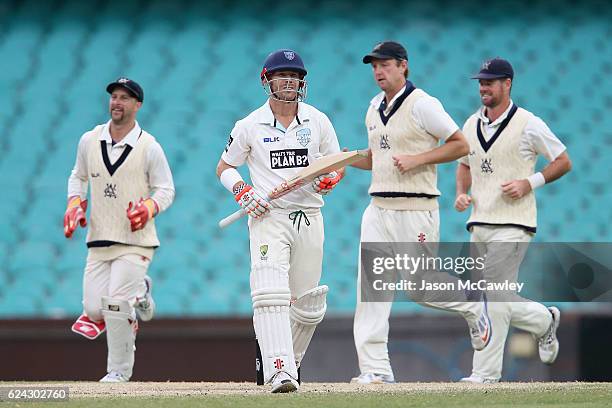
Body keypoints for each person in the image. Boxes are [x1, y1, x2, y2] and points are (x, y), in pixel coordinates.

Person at [350, 41, 493, 384]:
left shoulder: (423, 104)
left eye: (385, 65)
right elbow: (377, 159)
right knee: (371, 288)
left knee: (419, 288)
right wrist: (346, 160)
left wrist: (418, 159)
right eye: (374, 66)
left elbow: (461, 144)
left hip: (415, 207)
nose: (378, 71)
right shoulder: (372, 107)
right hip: (378, 208)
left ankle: (473, 302)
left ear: (403, 66)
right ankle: (376, 369)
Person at [215, 49, 342, 393]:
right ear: (266, 80)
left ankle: (287, 361)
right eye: (282, 75)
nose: (289, 81)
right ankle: (280, 371)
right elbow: (224, 168)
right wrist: (242, 190)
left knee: (306, 303)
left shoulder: (318, 120)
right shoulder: (249, 125)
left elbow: (337, 164)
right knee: (270, 293)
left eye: (295, 76)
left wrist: (331, 178)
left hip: (310, 216)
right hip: (268, 215)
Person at [455, 57, 572, 383]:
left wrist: (529, 182)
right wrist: (461, 194)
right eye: (481, 82)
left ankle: (485, 375)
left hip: (514, 223)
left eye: (490, 82)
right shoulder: (470, 124)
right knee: (487, 297)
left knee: (494, 294)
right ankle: (544, 321)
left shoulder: (528, 123)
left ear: (507, 84)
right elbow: (464, 165)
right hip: (479, 222)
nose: (484, 88)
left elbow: (563, 161)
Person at [64, 77, 175, 382]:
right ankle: (142, 289)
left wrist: (149, 208)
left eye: (125, 97)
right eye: (114, 96)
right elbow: (78, 177)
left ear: (137, 105)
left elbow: (165, 190)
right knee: (93, 309)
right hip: (99, 239)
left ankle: (118, 371)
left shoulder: (149, 147)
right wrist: (74, 203)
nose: (117, 102)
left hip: (136, 241)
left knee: (115, 304)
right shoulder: (90, 140)